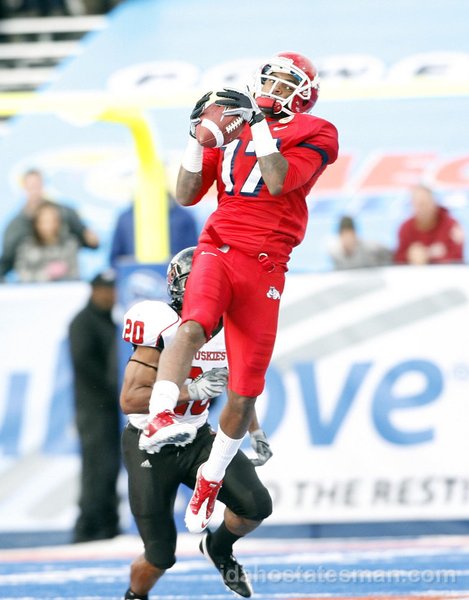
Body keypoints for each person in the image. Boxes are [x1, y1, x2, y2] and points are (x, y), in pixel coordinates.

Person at [136, 51, 339, 534]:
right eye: (272, 77)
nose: (278, 86)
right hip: (219, 244)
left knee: (246, 390)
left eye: (289, 81)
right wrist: (196, 138)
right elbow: (186, 193)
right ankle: (160, 417)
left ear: (306, 93)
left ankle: (210, 479)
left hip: (268, 262)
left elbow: (277, 179)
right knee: (193, 324)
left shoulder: (318, 130)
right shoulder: (234, 126)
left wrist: (260, 126)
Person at [121, 247, 272, 599]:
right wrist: (190, 390)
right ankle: (134, 597)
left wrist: (255, 431)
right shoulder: (164, 327)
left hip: (198, 437)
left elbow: (240, 390)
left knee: (255, 506)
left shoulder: (233, 328)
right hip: (150, 443)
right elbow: (129, 399)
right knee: (159, 556)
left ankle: (218, 547)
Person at [68, 269, 121, 543]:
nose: (112, 295)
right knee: (97, 466)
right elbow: (86, 366)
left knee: (109, 465)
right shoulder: (83, 323)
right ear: (95, 291)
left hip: (107, 407)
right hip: (93, 409)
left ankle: (108, 522)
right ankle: (89, 525)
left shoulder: (106, 322)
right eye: (107, 290)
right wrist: (114, 389)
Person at [0, 168, 99, 280]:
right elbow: (7, 260)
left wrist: (91, 239)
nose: (34, 190)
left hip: (66, 280)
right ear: (24, 188)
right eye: (31, 186)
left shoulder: (65, 213)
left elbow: (85, 238)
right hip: (31, 283)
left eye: (38, 185)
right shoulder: (15, 226)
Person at [109, 197, 199, 267]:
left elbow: (192, 255)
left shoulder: (183, 217)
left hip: (174, 281)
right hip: (134, 280)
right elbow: (115, 259)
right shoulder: (125, 218)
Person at [394, 184, 464, 265]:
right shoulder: (405, 228)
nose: (422, 209)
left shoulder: (451, 226)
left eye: (425, 203)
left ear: (433, 202)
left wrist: (427, 255)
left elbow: (457, 258)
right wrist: (410, 256)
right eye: (418, 204)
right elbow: (399, 258)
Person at [13, 200, 80, 282]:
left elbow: (75, 275)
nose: (48, 225)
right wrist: (45, 274)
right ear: (36, 223)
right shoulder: (26, 246)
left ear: (59, 221)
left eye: (52, 220)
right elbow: (21, 274)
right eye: (44, 221)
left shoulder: (69, 244)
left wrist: (62, 274)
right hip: (34, 292)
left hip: (63, 291)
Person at [328, 215, 393, 270]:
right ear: (340, 236)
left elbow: (389, 255)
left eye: (350, 235)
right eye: (344, 235)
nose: (348, 239)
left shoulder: (369, 248)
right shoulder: (335, 253)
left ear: (355, 234)